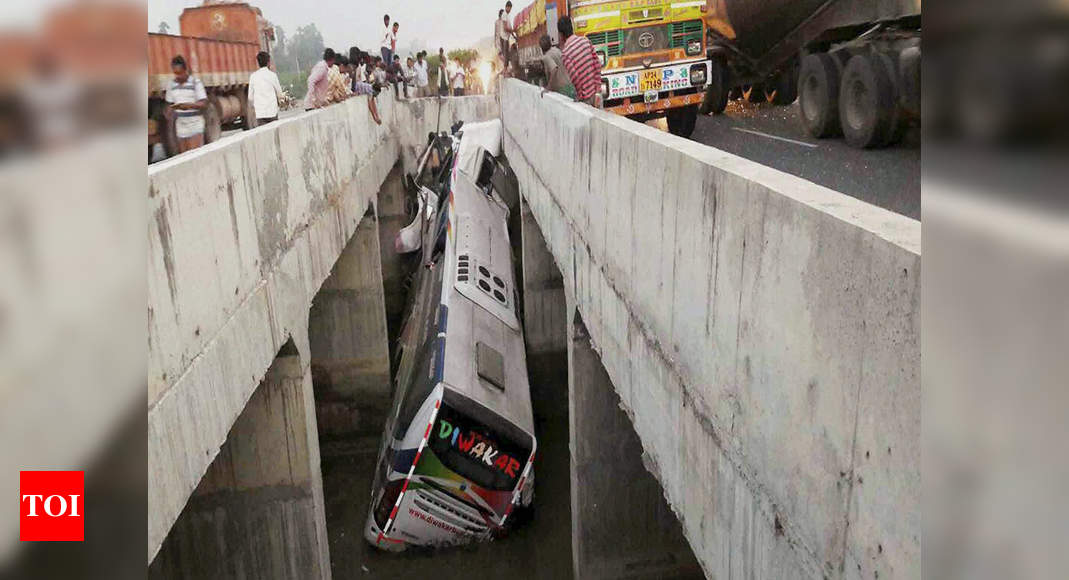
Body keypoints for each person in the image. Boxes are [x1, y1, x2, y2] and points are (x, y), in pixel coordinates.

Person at [164, 55, 208, 153]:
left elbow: (204, 103)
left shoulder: (195, 83)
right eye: (175, 73)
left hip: (195, 124)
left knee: (195, 154)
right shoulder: (171, 85)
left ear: (185, 70)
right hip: (181, 125)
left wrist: (189, 106)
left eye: (180, 73)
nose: (178, 76)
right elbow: (169, 104)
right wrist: (168, 111)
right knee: (184, 156)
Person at [558, 16, 603, 107]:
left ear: (561, 34)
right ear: (572, 28)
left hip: (585, 98)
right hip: (596, 93)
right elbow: (597, 64)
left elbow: (575, 77)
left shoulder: (565, 54)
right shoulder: (585, 41)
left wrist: (580, 95)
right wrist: (597, 89)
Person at [247, 51, 284, 124]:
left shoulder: (253, 77)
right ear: (268, 62)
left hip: (260, 114)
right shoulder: (272, 75)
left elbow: (250, 97)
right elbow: (280, 94)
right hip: (272, 112)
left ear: (258, 63)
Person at [538, 35, 575, 99]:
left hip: (562, 89)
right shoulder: (557, 50)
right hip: (570, 85)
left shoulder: (546, 57)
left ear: (541, 47)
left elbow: (554, 69)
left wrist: (548, 87)